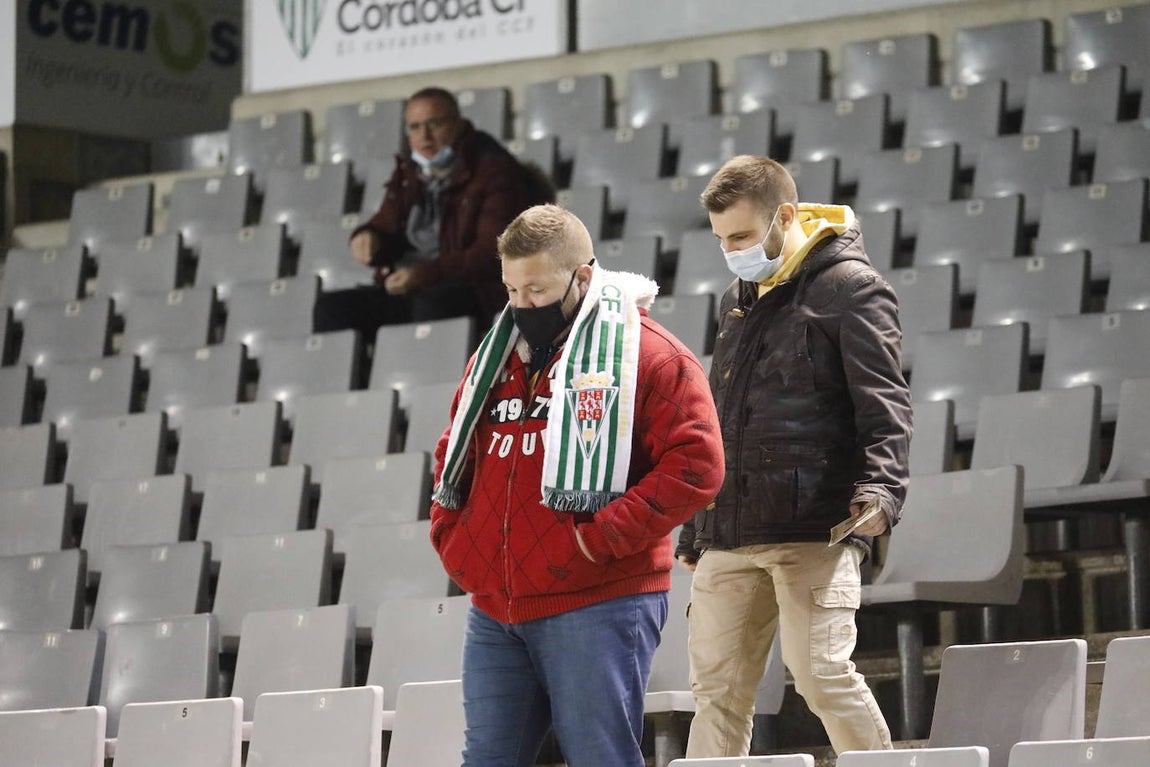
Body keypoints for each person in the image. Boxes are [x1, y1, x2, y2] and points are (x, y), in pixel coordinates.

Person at [429, 204, 725, 767]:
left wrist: (601, 537)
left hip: (599, 601)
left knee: (600, 759)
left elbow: (698, 465)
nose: (521, 305)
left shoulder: (650, 353)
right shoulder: (491, 359)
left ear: (583, 276)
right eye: (511, 290)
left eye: (536, 290)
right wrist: (452, 533)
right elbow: (454, 450)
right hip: (496, 608)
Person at [678, 155, 912, 757]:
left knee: (823, 677)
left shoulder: (852, 288)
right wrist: (695, 522)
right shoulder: (740, 293)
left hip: (815, 524)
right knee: (716, 692)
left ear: (784, 215)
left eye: (741, 236)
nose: (731, 250)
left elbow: (884, 402)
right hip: (727, 529)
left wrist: (883, 490)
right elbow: (721, 415)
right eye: (721, 239)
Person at [312, 86, 550, 336]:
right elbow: (385, 224)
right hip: (415, 286)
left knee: (432, 305)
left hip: (473, 289)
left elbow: (493, 252)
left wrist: (422, 275)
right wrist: (369, 237)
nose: (424, 136)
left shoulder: (494, 170)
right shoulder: (409, 171)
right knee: (333, 308)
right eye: (414, 127)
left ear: (458, 125)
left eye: (434, 124)